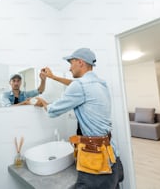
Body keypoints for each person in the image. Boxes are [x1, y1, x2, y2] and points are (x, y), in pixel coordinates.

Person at [36, 48, 124, 189]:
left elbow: (53, 111)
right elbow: (77, 85)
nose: (70, 68)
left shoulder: (80, 85)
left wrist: (43, 103)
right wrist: (53, 78)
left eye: (71, 63)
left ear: (80, 62)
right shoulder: (101, 84)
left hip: (96, 159)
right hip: (111, 153)